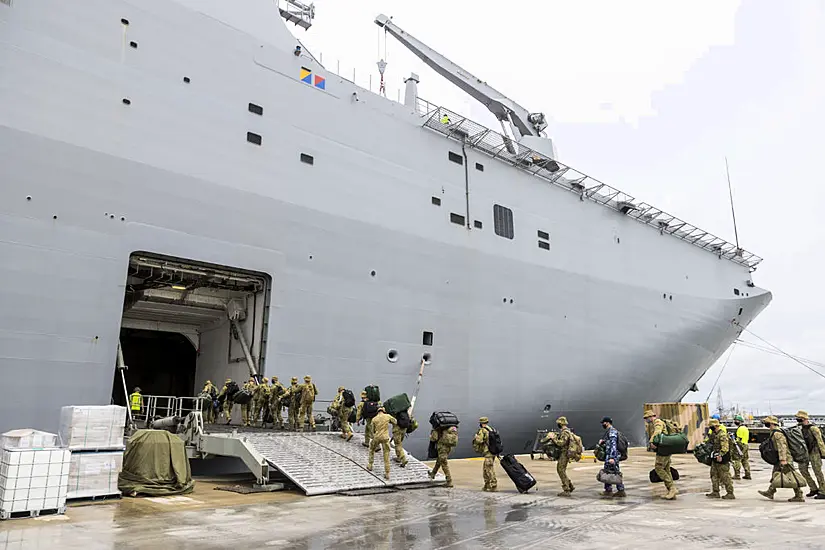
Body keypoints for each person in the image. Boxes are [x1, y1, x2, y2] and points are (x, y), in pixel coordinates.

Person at [758, 415, 805, 502]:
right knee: (775, 474)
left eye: (767, 423)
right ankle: (770, 491)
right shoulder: (774, 432)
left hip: (785, 458)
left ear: (772, 423)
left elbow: (782, 446)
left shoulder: (777, 433)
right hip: (780, 458)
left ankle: (799, 495)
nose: (766, 424)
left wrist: (783, 459)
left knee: (791, 476)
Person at [645, 409, 677, 500]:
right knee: (666, 469)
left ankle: (672, 488)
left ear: (651, 417)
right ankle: (671, 490)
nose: (646, 420)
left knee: (658, 468)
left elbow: (657, 432)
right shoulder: (657, 422)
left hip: (663, 449)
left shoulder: (657, 422)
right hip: (666, 448)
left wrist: (652, 441)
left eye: (647, 418)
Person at [796, 410, 825, 499]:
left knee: (817, 471)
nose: (798, 420)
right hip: (804, 452)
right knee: (802, 470)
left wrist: (823, 453)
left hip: (814, 451)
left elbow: (820, 441)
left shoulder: (813, 428)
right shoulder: (799, 428)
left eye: (799, 418)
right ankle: (813, 488)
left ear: (804, 418)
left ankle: (823, 490)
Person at [706, 418, 735, 499]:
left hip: (722, 458)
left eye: (711, 426)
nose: (710, 428)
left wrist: (720, 455)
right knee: (713, 474)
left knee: (725, 476)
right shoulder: (714, 434)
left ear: (715, 426)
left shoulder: (722, 435)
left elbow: (725, 448)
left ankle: (730, 493)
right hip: (715, 457)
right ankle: (715, 492)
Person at [367, 406, 397, 480]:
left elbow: (372, 430)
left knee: (371, 450)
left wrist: (373, 436)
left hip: (377, 437)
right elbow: (395, 422)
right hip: (385, 438)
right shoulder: (387, 416)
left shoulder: (374, 419)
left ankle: (370, 465)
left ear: (378, 411)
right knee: (386, 454)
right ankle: (387, 473)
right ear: (384, 411)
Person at [598, 417, 626, 498]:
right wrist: (604, 442)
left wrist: (612, 458)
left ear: (607, 423)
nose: (603, 424)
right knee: (607, 472)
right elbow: (610, 443)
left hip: (612, 456)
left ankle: (621, 490)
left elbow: (613, 445)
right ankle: (608, 489)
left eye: (603, 423)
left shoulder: (612, 432)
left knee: (615, 472)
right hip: (610, 455)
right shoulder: (610, 432)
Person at [472, 417, 498, 492]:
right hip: (493, 452)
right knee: (485, 469)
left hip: (488, 452)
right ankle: (486, 485)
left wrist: (476, 437)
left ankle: (493, 485)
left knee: (489, 469)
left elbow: (479, 441)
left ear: (481, 423)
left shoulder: (483, 430)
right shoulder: (491, 429)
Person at [554, 416, 575, 497]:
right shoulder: (567, 431)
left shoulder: (565, 432)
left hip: (564, 454)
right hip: (564, 453)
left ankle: (566, 489)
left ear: (560, 423)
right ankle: (570, 486)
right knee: (562, 470)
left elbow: (561, 443)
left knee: (560, 470)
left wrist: (554, 439)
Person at [732, 414, 752, 480]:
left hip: (740, 446)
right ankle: (748, 474)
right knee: (745, 460)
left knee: (737, 460)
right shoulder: (745, 428)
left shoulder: (740, 429)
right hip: (745, 445)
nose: (735, 421)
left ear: (739, 421)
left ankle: (737, 475)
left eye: (736, 420)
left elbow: (739, 439)